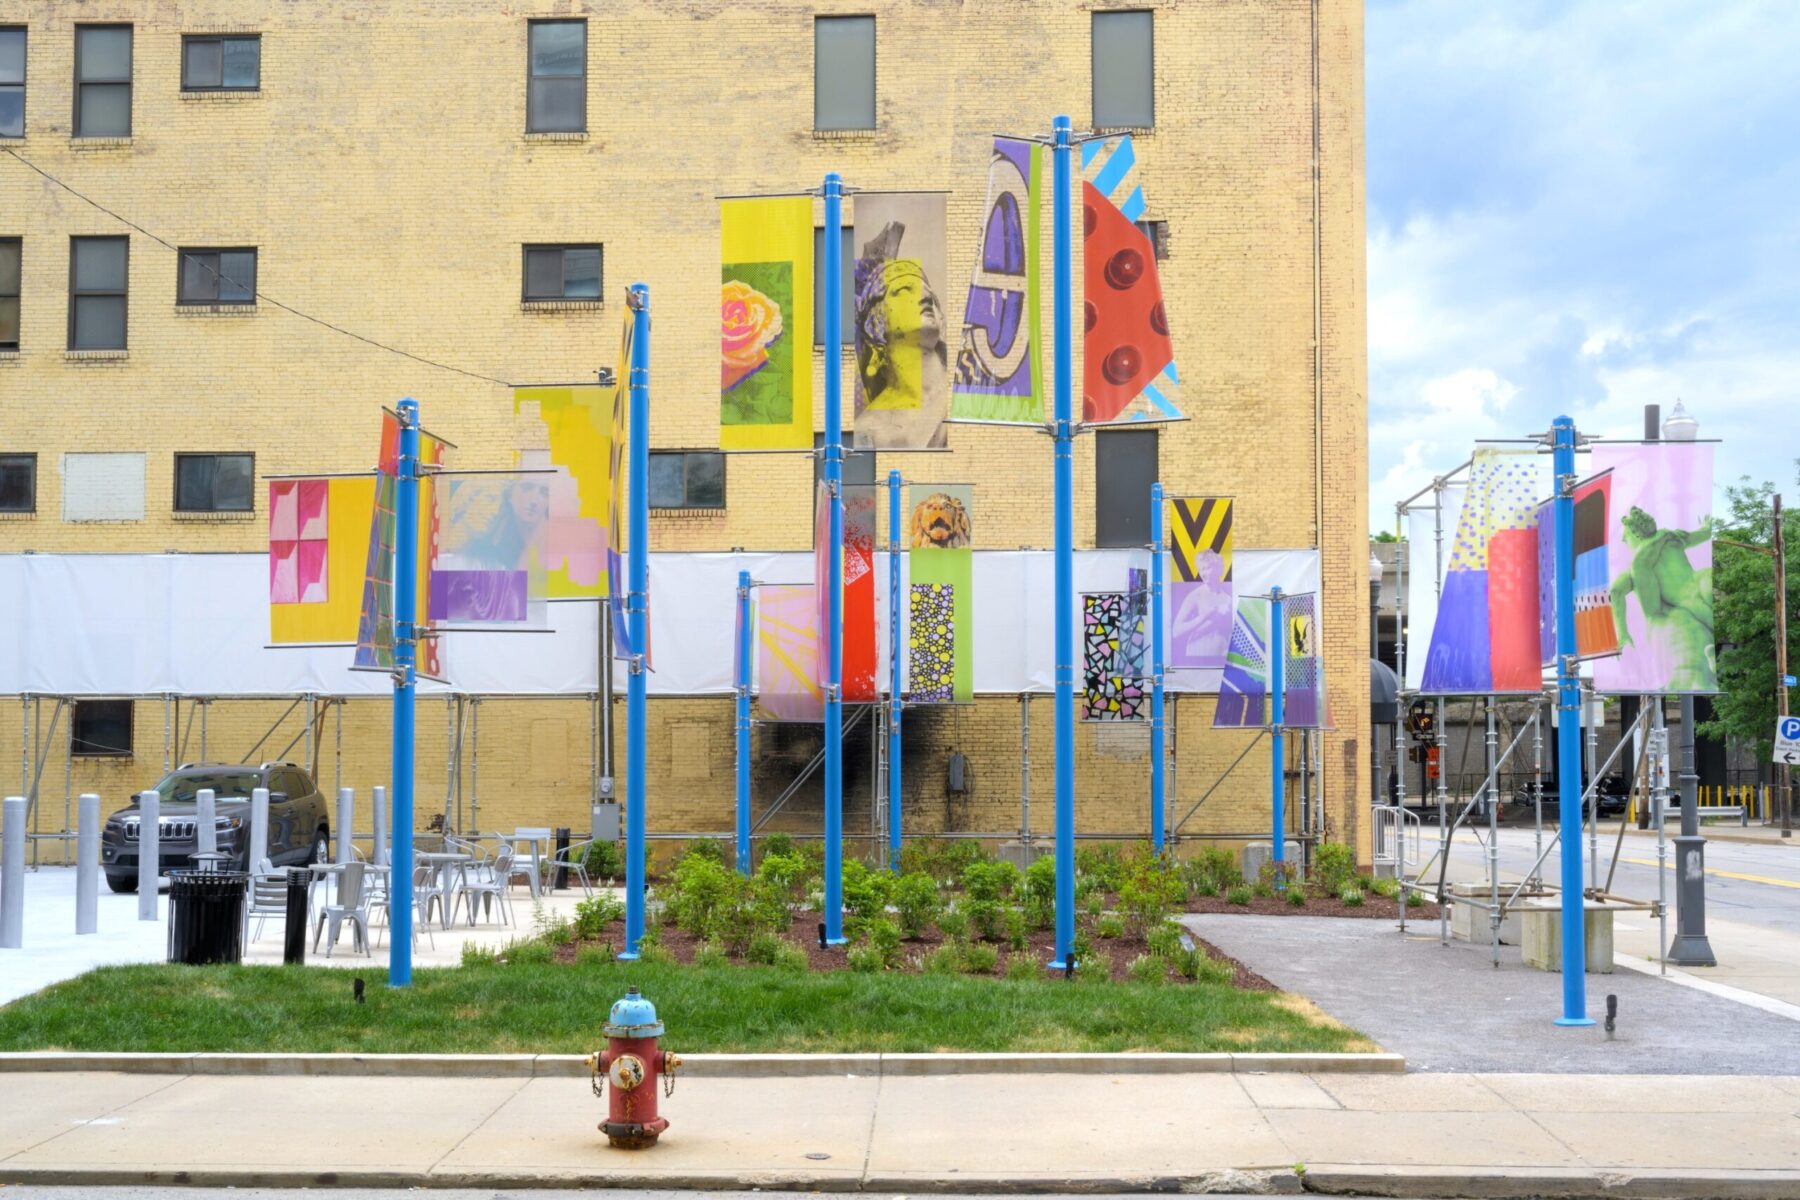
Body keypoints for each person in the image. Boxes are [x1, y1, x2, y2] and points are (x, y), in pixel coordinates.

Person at [853, 220, 949, 449]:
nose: (924, 297)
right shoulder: (868, 429)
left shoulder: (965, 392)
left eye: (930, 295)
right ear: (877, 322)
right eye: (905, 290)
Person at [1609, 506, 1715, 690]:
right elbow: (1703, 534)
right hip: (1700, 580)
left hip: (1685, 601)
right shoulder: (1672, 536)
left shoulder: (1638, 564)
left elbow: (1616, 592)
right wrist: (1706, 525)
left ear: (1635, 534)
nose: (1624, 540)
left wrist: (1623, 633)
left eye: (1625, 536)